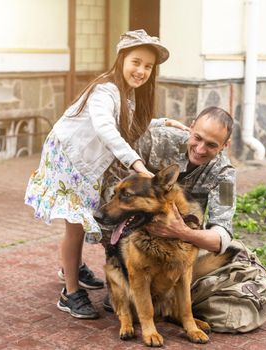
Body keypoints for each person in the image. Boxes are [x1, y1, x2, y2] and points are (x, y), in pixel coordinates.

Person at [24, 29, 175, 319]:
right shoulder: (104, 90)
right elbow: (107, 128)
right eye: (136, 62)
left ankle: (72, 267)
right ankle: (70, 293)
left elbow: (131, 122)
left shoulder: (127, 95)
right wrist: (136, 164)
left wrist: (166, 122)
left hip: (87, 166)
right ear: (121, 59)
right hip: (67, 159)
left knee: (80, 220)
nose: (141, 70)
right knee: (75, 223)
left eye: (148, 66)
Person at [100, 106, 236, 311]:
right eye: (197, 138)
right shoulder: (159, 140)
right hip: (136, 233)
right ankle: (124, 278)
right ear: (190, 127)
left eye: (211, 145)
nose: (200, 149)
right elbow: (114, 171)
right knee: (111, 210)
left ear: (225, 145)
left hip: (179, 241)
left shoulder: (225, 177)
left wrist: (183, 232)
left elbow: (221, 236)